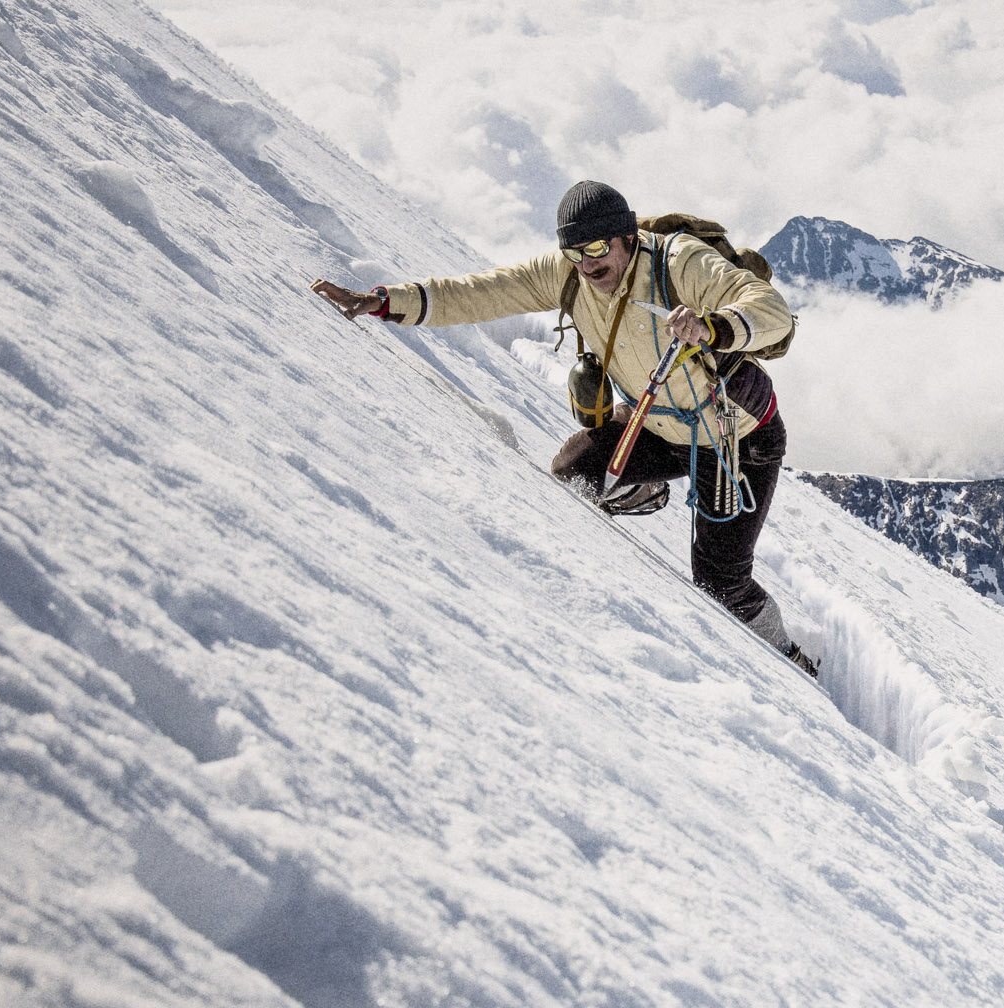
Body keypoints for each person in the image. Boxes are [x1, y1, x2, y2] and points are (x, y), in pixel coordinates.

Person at [311, 180, 815, 675]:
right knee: (572, 472)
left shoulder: (679, 261)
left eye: (597, 248)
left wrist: (712, 327)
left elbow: (770, 313)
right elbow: (481, 293)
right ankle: (644, 489)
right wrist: (384, 301)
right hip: (656, 424)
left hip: (737, 440)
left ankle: (789, 658)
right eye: (574, 252)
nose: (588, 264)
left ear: (627, 238)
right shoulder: (569, 274)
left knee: (720, 580)